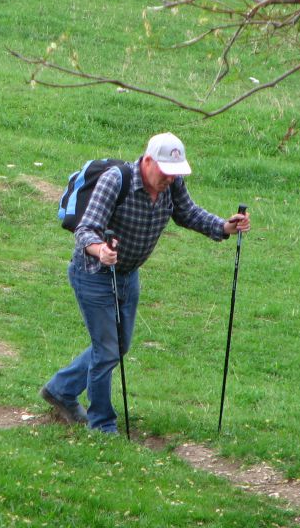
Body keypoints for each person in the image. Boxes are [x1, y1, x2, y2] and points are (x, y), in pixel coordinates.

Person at [41, 132, 250, 433]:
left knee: (119, 344)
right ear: (148, 161)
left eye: (175, 173)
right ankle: (101, 424)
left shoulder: (172, 183)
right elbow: (86, 228)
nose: (170, 178)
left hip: (128, 274)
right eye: (165, 171)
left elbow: (188, 213)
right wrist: (101, 249)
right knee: (107, 349)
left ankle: (61, 389)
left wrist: (224, 227)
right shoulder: (116, 180)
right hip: (93, 273)